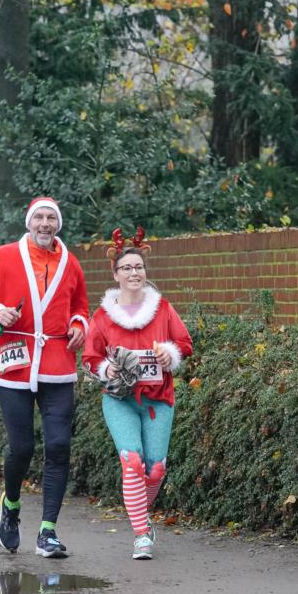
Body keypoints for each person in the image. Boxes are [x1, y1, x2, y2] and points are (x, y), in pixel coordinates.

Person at [0, 197, 89, 558]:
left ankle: (48, 531)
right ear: (29, 222)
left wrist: (80, 325)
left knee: (59, 446)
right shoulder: (2, 256)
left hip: (57, 362)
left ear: (58, 224)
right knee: (22, 448)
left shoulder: (71, 264)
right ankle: (12, 505)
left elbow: (80, 306)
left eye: (51, 218)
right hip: (14, 362)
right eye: (39, 217)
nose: (45, 223)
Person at [82, 227, 192, 560]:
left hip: (159, 400)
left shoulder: (163, 309)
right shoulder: (102, 317)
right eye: (127, 268)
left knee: (155, 469)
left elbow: (184, 345)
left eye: (139, 267)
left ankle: (140, 515)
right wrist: (106, 369)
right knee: (132, 463)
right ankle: (142, 534)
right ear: (115, 274)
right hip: (120, 401)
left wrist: (168, 355)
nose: (134, 272)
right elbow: (90, 358)